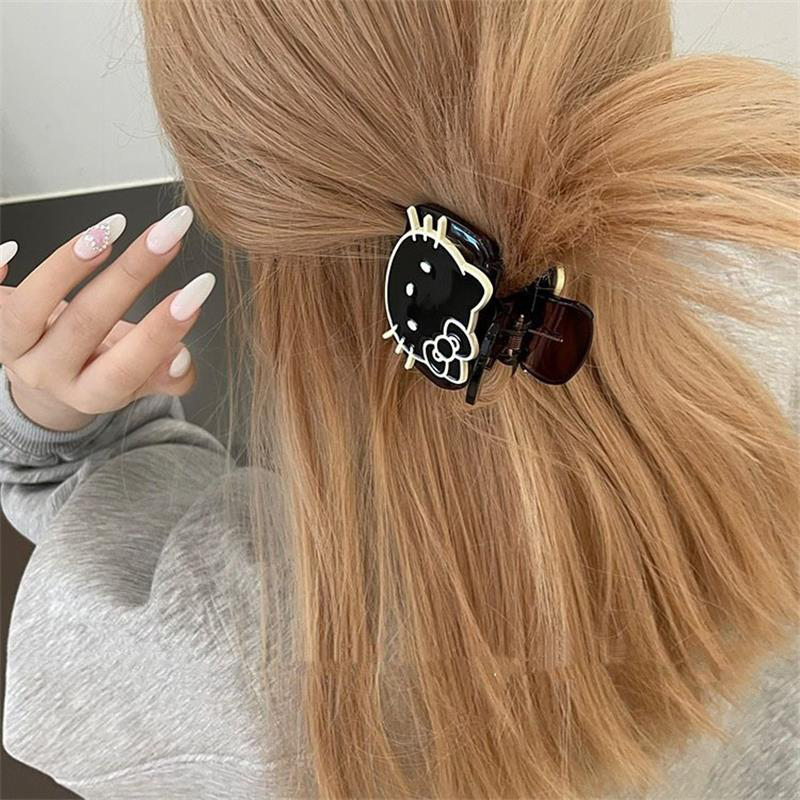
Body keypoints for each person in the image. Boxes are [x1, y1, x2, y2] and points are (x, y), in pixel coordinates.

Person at [1, 1, 798, 798]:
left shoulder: (223, 662)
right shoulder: (773, 276)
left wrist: (65, 438)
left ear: (240, 189)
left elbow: (94, 534)